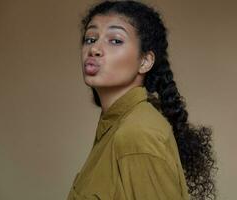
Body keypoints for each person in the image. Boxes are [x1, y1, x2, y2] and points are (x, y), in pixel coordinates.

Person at [66, 0, 216, 199]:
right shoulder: (115, 125)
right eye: (90, 39)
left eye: (115, 40)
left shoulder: (137, 134)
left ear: (145, 61)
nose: (94, 49)